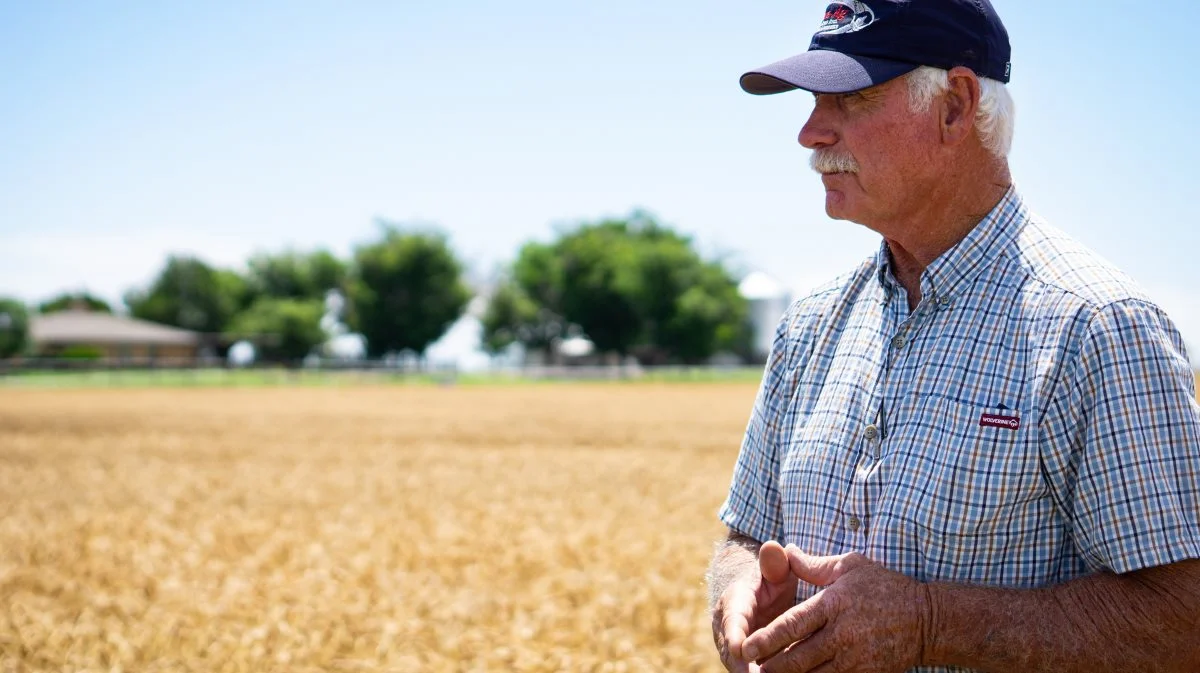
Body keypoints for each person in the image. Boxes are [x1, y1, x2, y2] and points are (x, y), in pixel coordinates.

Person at [706, 2, 1200, 672]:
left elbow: (1184, 618)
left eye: (849, 98)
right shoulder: (812, 323)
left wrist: (934, 624)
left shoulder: (1100, 328)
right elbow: (744, 534)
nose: (809, 132)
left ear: (955, 106)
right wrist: (738, 590)